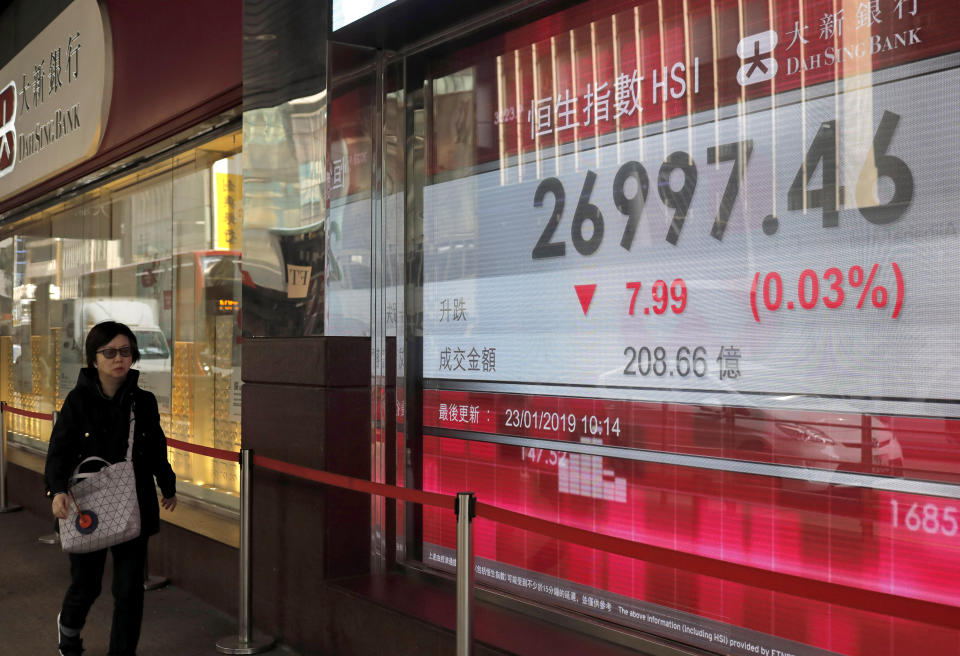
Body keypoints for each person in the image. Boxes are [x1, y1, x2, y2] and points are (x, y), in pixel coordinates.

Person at [44, 320, 177, 656]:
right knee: (86, 587)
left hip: (133, 503)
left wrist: (167, 485)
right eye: (110, 352)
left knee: (129, 590)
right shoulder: (77, 402)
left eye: (126, 351)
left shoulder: (143, 402)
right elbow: (58, 451)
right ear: (94, 359)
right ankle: (69, 632)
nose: (119, 358)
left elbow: (155, 448)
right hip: (85, 505)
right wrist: (57, 490)